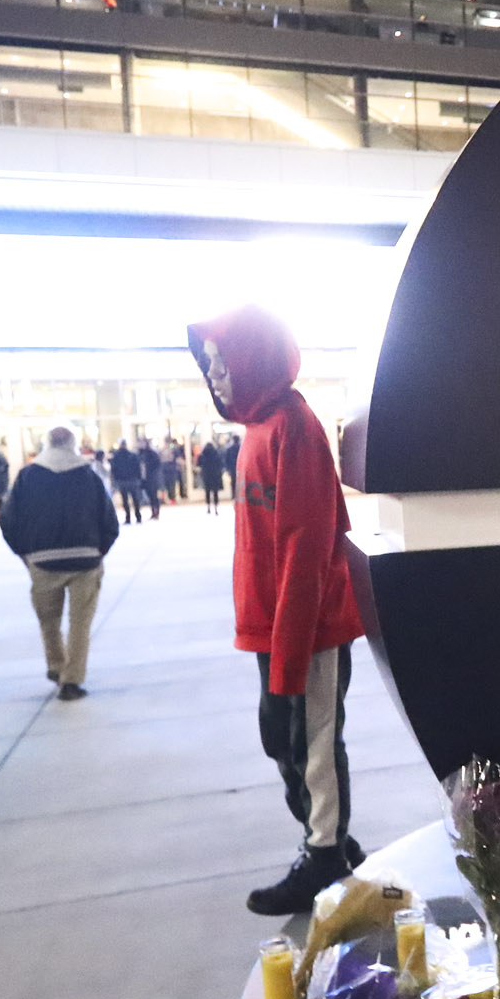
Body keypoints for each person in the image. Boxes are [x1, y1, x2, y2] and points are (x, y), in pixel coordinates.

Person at [191, 306, 368, 915]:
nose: (215, 377)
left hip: (308, 629)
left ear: (251, 361)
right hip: (269, 628)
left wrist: (290, 656)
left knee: (313, 745)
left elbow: (305, 550)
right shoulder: (258, 430)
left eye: (222, 364)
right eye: (210, 366)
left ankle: (325, 854)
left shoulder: (294, 426)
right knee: (283, 744)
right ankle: (333, 841)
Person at [0, 425, 120, 700]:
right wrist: (98, 551)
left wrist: (24, 553)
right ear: (73, 444)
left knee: (49, 621)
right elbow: (109, 520)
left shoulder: (28, 476)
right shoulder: (89, 476)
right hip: (85, 559)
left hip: (42, 560)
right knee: (80, 623)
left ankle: (56, 667)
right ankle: (72, 681)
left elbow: (8, 519)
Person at [110, 438, 144, 523]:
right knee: (135, 499)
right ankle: (138, 516)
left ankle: (128, 517)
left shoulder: (116, 456)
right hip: (132, 480)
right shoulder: (132, 455)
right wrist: (139, 478)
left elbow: (114, 469)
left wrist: (116, 479)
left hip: (122, 480)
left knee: (125, 500)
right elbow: (137, 468)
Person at [136, 435, 163, 520]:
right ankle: (153, 511)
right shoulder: (140, 454)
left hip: (152, 478)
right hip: (144, 479)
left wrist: (153, 474)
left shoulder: (152, 454)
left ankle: (156, 511)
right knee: (149, 496)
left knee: (153, 495)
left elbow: (157, 465)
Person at [198, 436, 227, 511]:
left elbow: (199, 464)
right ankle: (216, 507)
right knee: (215, 491)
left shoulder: (202, 455)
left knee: (207, 491)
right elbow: (221, 464)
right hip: (215, 475)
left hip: (206, 475)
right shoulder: (216, 455)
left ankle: (208, 507)